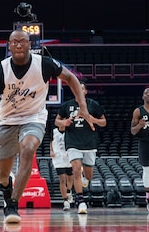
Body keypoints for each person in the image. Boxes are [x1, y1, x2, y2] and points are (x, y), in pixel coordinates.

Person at [0, 29, 92, 224]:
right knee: (2, 175)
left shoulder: (44, 64)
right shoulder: (2, 69)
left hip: (34, 118)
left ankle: (12, 205)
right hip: (7, 121)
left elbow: (71, 78)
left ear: (30, 44)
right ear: (9, 46)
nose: (19, 44)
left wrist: (83, 106)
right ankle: (7, 188)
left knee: (28, 148)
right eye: (15, 42)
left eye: (23, 41)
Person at [55, 81, 106, 214]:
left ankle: (85, 179)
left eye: (82, 88)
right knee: (76, 169)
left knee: (88, 176)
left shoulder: (92, 104)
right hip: (73, 142)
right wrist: (64, 122)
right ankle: (81, 201)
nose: (79, 90)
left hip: (89, 143)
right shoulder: (67, 105)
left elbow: (104, 122)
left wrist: (92, 119)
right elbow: (56, 121)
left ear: (85, 91)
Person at [50, 126, 74, 211]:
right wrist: (51, 151)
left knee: (70, 179)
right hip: (58, 158)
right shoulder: (54, 131)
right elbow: (51, 141)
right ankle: (65, 201)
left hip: (68, 157)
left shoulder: (70, 131)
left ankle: (68, 191)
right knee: (62, 180)